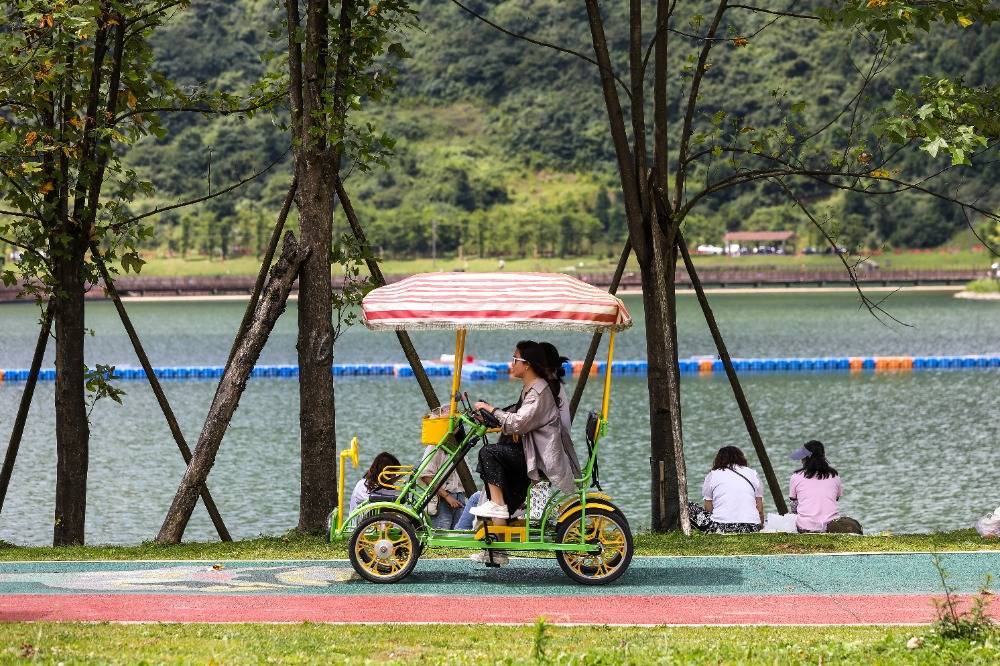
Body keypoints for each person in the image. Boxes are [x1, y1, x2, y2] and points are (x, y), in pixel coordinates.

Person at [688, 446, 765, 533]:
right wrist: (760, 527)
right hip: (752, 527)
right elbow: (760, 509)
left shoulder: (712, 475)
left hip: (721, 527)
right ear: (741, 458)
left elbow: (708, 508)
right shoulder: (753, 474)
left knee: (687, 506)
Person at [788, 440, 843, 533]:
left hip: (805, 527)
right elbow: (836, 498)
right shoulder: (835, 476)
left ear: (805, 458)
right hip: (831, 526)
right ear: (823, 456)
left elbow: (794, 504)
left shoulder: (796, 477)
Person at [419, 446, 467, 529]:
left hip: (460, 498)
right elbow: (425, 476)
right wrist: (447, 496)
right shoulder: (434, 447)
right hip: (441, 499)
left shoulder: (461, 447)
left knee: (459, 535)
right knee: (440, 535)